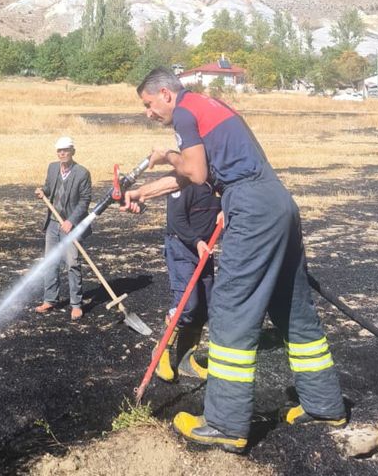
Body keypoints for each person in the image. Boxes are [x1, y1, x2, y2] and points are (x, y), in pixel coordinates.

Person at [123, 68, 346, 453]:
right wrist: (144, 191)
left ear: (165, 94)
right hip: (278, 203)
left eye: (147, 105)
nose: (148, 113)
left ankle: (226, 424)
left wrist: (166, 156)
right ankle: (325, 405)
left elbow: (192, 169)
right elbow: (195, 177)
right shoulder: (209, 106)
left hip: (251, 207)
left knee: (230, 308)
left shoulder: (184, 114)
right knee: (292, 308)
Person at [154, 182, 220, 383]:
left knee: (205, 306)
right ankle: (161, 352)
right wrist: (197, 241)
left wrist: (226, 211)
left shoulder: (219, 181)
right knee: (187, 304)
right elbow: (176, 220)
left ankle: (185, 361)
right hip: (182, 247)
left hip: (204, 249)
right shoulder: (184, 182)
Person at [34, 136, 92, 321]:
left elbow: (84, 201)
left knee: (72, 263)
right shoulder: (52, 168)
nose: (62, 153)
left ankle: (76, 304)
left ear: (73, 151)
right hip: (53, 222)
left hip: (70, 226)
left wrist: (71, 221)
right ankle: (50, 299)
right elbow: (50, 188)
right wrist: (43, 192)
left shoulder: (82, 173)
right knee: (50, 261)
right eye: (59, 150)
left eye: (66, 150)